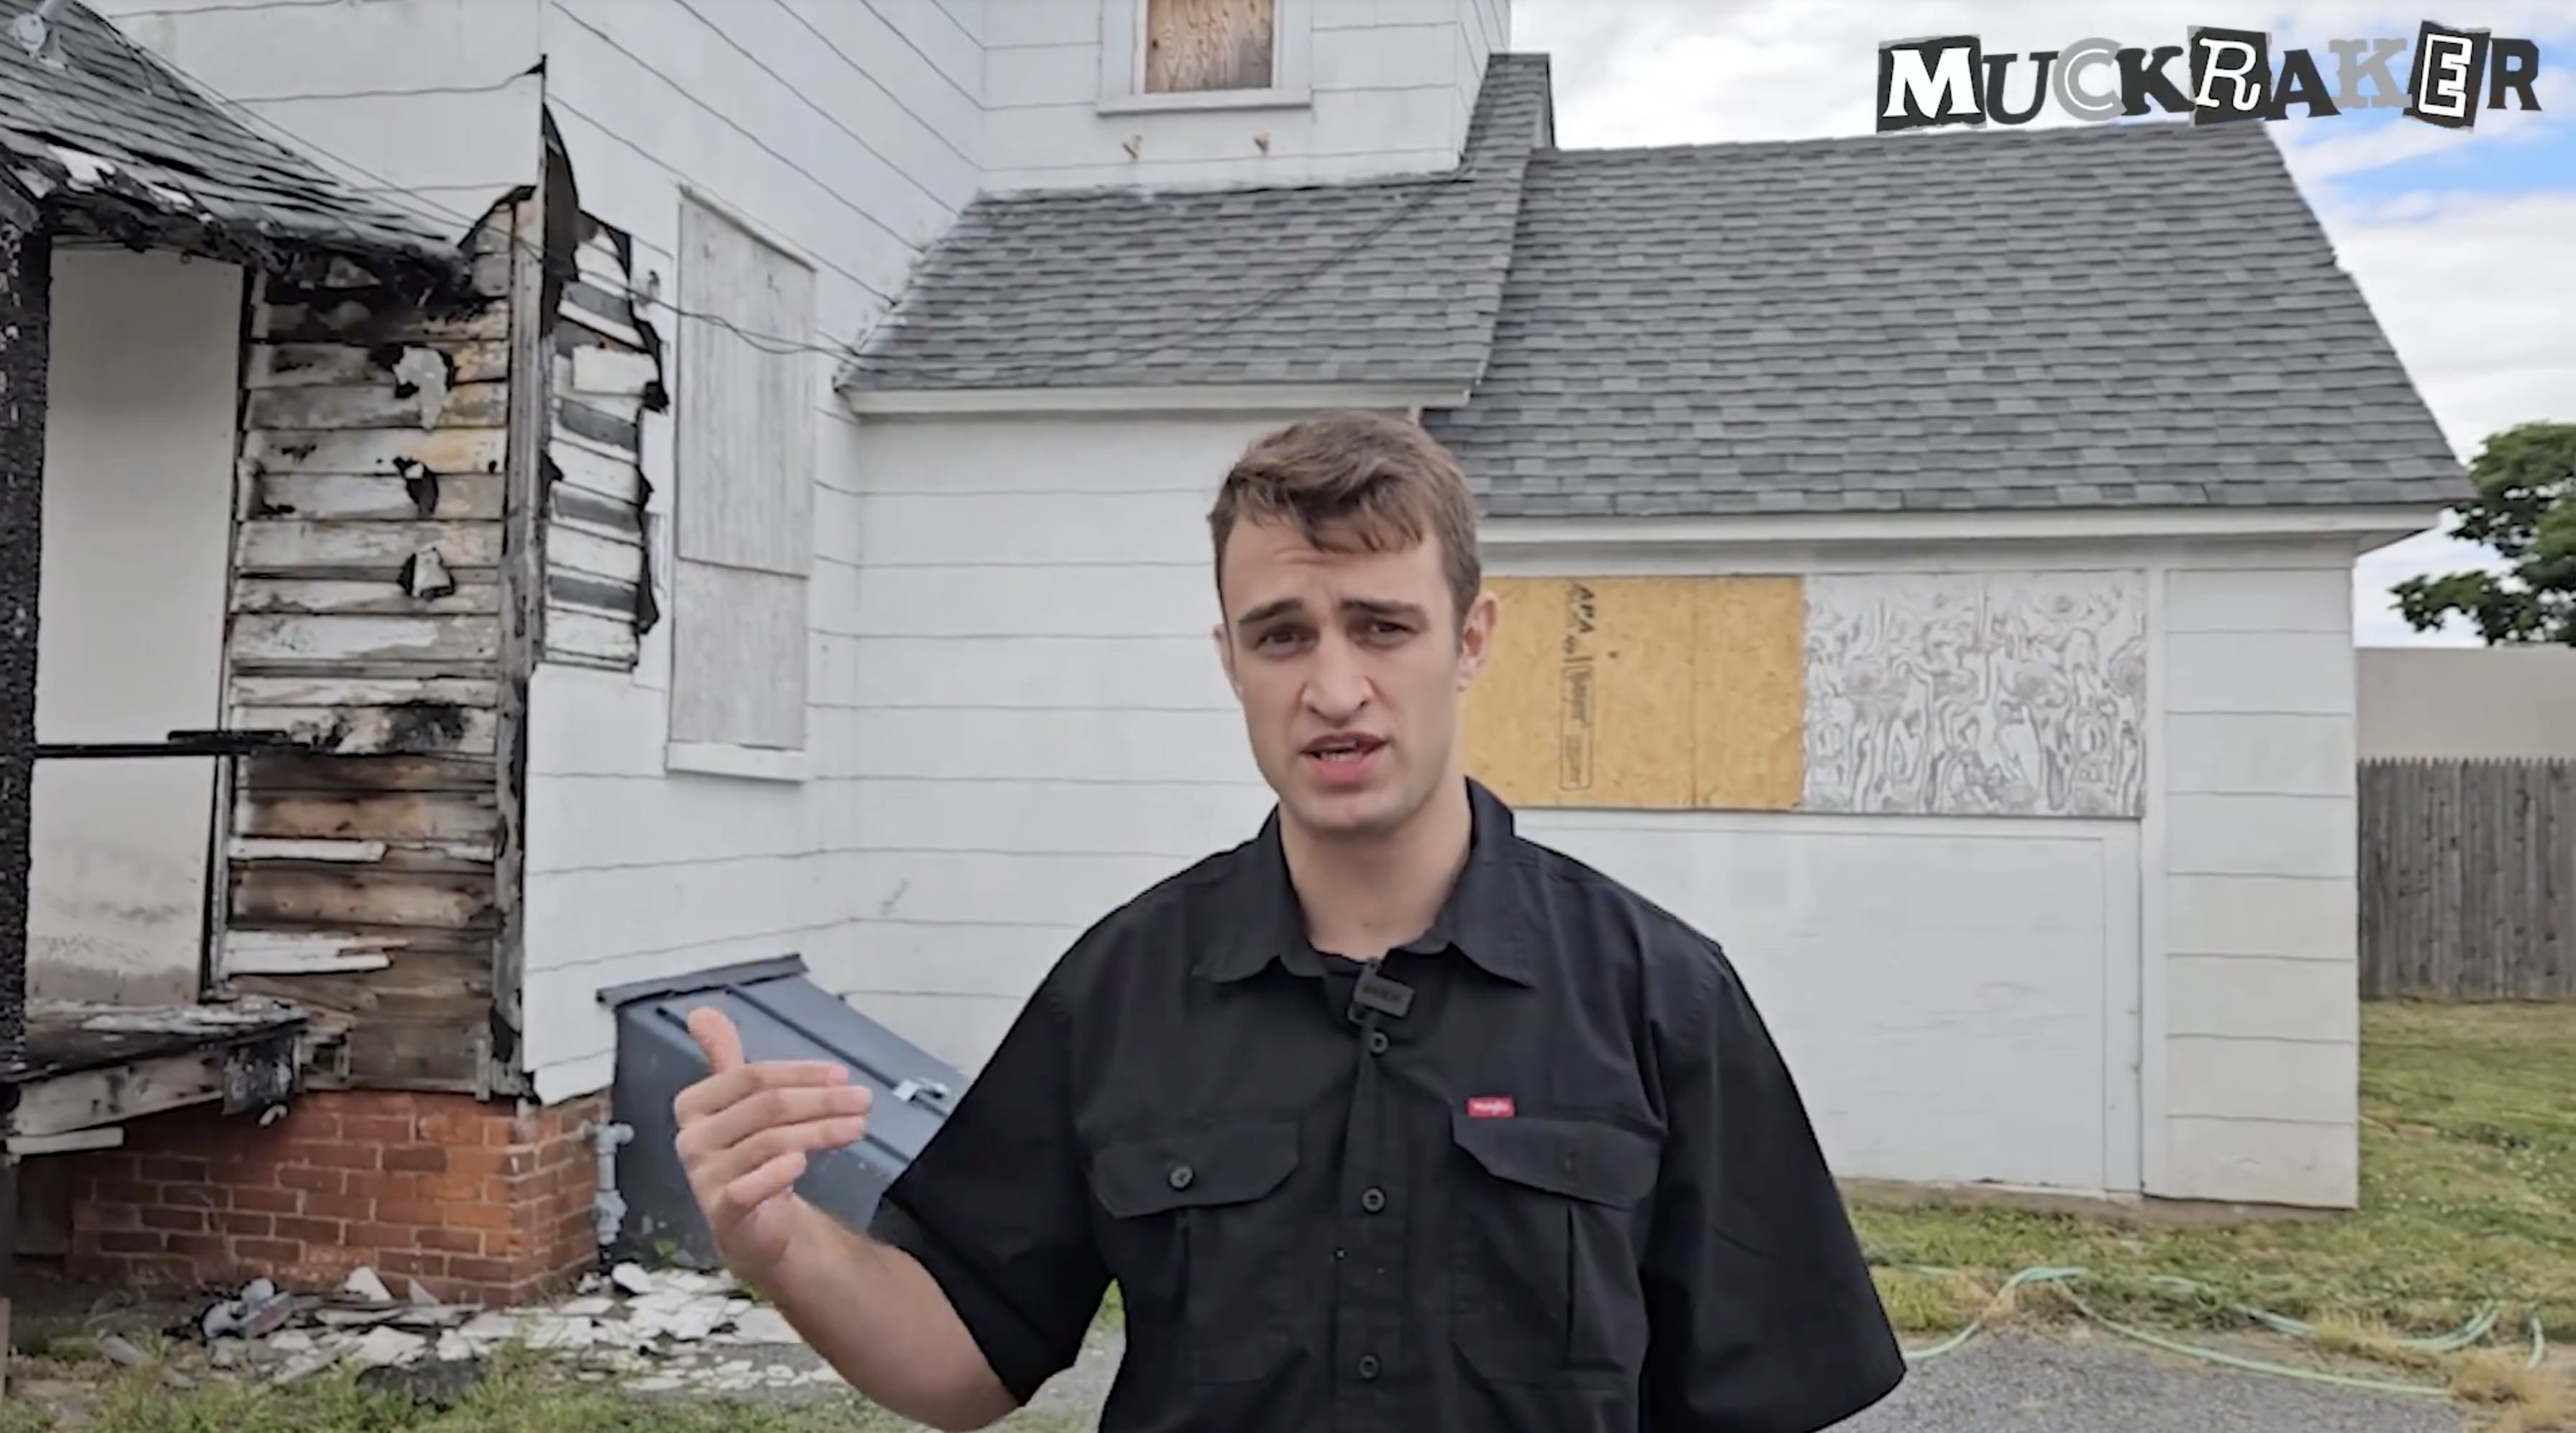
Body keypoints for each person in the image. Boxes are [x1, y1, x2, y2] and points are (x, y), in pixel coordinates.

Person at [670, 411, 1908, 1432]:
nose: (1333, 688)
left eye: (1381, 626)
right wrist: (779, 1241)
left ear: (1471, 639)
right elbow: (963, 1357)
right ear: (1230, 659)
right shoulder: (1124, 989)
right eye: (1282, 636)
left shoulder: (1656, 996)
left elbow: (1767, 1393)